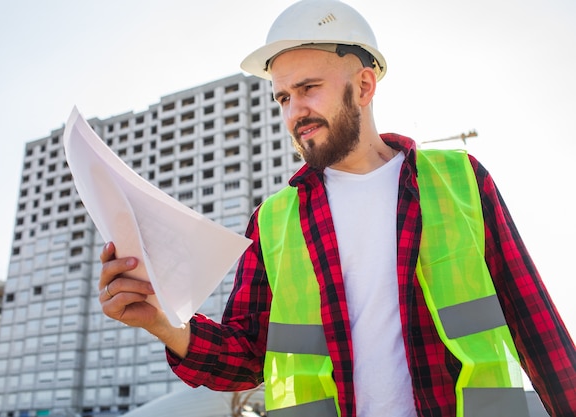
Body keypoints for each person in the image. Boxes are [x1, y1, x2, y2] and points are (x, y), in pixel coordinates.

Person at [98, 1, 576, 416]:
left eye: (308, 88)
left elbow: (536, 324)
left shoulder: (460, 181)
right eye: (283, 97)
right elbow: (247, 359)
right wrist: (163, 321)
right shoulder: (275, 220)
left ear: (364, 86)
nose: (294, 112)